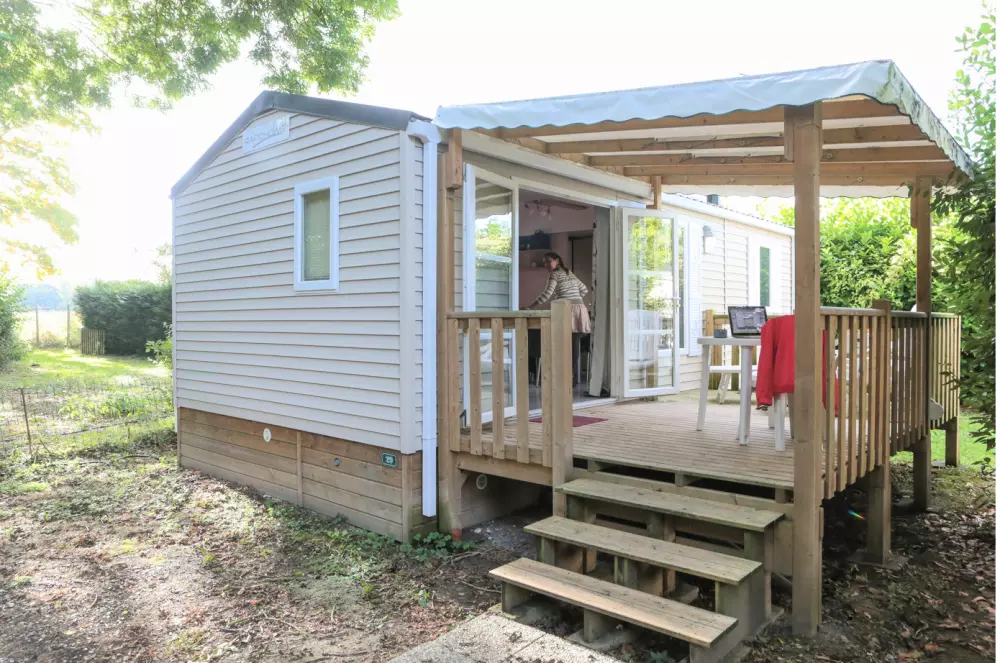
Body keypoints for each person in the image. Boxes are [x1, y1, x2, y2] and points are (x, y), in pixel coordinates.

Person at [525, 252, 591, 384]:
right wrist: (574, 298)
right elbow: (584, 290)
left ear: (557, 261)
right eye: (544, 262)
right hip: (580, 310)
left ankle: (566, 378)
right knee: (573, 345)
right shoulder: (568, 272)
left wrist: (530, 307)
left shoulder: (554, 274)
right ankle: (572, 378)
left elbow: (547, 294)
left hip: (567, 310)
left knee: (564, 345)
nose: (546, 265)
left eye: (548, 261)